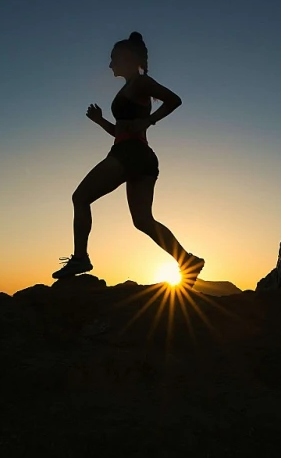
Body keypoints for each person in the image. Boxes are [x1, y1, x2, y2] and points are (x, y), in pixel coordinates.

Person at [52, 31, 205, 287]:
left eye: (113, 58)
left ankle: (80, 258)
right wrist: (101, 121)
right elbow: (122, 131)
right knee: (143, 221)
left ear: (127, 58)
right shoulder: (130, 87)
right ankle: (188, 261)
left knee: (80, 197)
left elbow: (174, 100)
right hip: (141, 156)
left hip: (130, 154)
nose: (110, 64)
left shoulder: (140, 83)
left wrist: (150, 119)